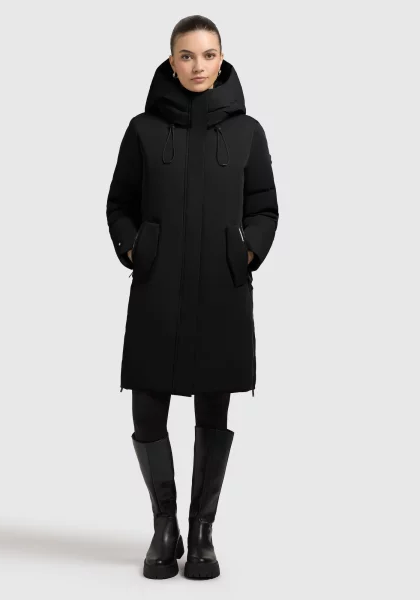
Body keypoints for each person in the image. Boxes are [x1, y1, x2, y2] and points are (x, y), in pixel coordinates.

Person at [106, 15, 279, 580]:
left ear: (222, 59)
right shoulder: (142, 130)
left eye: (208, 55)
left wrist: (246, 250)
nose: (198, 66)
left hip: (220, 290)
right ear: (171, 61)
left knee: (213, 407)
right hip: (157, 288)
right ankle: (165, 527)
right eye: (187, 55)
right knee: (147, 405)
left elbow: (264, 206)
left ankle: (202, 531)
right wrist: (135, 247)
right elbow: (119, 203)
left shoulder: (248, 131)